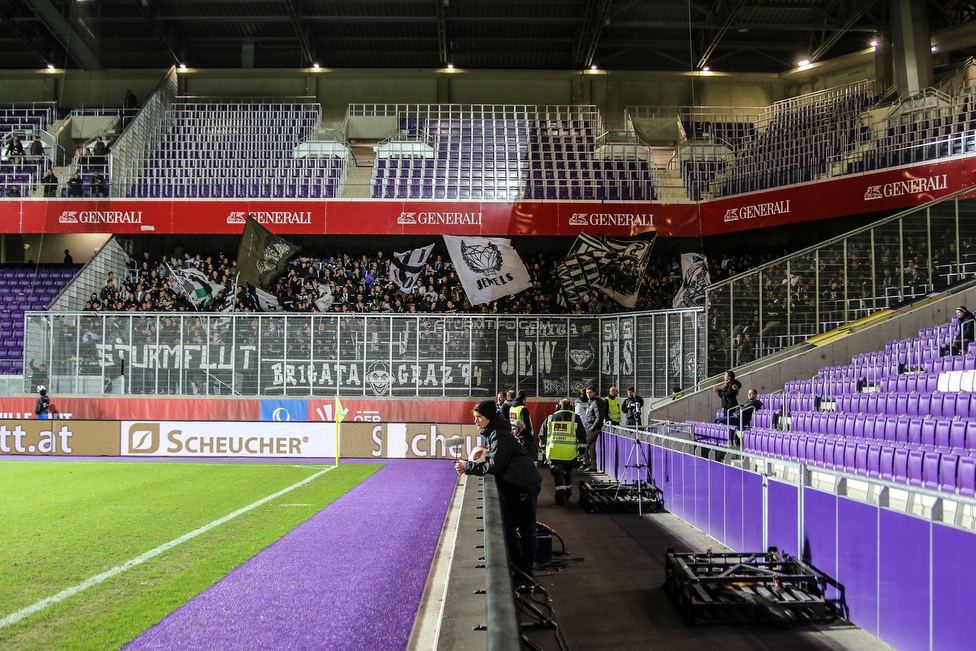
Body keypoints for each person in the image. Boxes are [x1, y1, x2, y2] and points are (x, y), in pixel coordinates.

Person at [455, 400, 542, 579]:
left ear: (489, 417)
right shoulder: (494, 431)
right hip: (516, 485)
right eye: (475, 417)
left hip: (524, 485)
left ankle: (526, 572)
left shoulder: (499, 434)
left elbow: (495, 467)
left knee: (526, 530)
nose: (475, 421)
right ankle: (519, 567)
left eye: (479, 418)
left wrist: (468, 467)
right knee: (509, 528)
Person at [539, 398, 587, 505]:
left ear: (559, 406)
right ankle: (568, 491)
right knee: (567, 473)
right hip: (570, 454)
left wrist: (543, 449)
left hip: (554, 452)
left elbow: (542, 435)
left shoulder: (550, 418)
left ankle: (560, 497)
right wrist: (582, 451)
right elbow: (582, 436)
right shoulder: (576, 418)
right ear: (570, 406)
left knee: (558, 475)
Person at [581, 386, 604, 471]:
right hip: (590, 426)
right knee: (591, 446)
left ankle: (586, 462)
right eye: (587, 393)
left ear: (594, 393)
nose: (588, 394)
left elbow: (599, 417)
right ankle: (593, 466)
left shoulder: (596, 403)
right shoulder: (591, 402)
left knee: (584, 443)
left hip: (594, 428)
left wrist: (593, 427)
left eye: (590, 392)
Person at [508, 390, 536, 459]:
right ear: (524, 399)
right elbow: (526, 424)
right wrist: (530, 436)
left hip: (514, 433)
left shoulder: (511, 408)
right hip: (523, 435)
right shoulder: (522, 409)